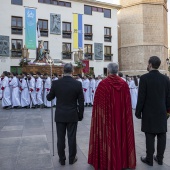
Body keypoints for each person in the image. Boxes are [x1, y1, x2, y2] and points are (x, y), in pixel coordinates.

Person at [88, 63, 136, 170]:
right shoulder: (124, 85)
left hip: (107, 119)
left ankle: (107, 160)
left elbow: (97, 107)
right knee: (121, 135)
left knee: (108, 137)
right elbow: (127, 105)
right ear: (117, 70)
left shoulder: (102, 84)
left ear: (108, 71)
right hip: (121, 119)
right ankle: (123, 160)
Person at [47, 63, 84, 166]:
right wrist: (80, 115)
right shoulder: (77, 84)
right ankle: (72, 158)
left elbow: (49, 97)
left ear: (63, 71)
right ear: (72, 71)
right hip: (72, 114)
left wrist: (49, 93)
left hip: (60, 114)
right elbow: (81, 101)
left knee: (60, 138)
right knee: (72, 137)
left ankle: (62, 159)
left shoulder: (56, 83)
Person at [135, 56, 170, 166]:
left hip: (148, 112)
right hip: (162, 112)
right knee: (161, 135)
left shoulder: (144, 78)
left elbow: (141, 97)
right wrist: (168, 112)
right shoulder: (166, 79)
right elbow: (169, 97)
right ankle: (160, 159)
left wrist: (138, 112)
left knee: (149, 135)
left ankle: (149, 159)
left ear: (150, 64)